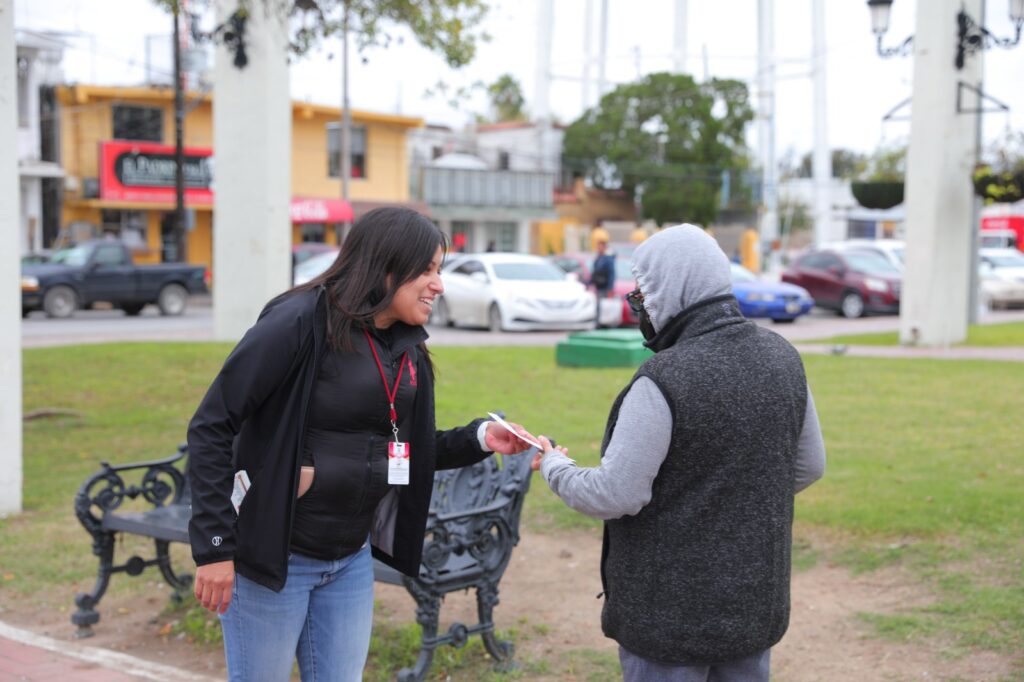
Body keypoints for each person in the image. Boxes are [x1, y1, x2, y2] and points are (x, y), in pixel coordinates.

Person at [186, 207, 535, 682]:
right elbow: (212, 424)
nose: (439, 285)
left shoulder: (407, 346)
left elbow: (402, 448)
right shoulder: (299, 320)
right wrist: (215, 547)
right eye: (428, 270)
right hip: (273, 557)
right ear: (387, 265)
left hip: (348, 559)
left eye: (440, 270)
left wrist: (480, 439)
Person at [532, 224, 826, 682]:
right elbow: (808, 465)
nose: (641, 304)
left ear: (670, 289)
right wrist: (736, 503)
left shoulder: (663, 378)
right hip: (754, 602)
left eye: (645, 291)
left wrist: (555, 466)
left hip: (667, 620)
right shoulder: (783, 357)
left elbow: (616, 493)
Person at [590, 239, 616, 328]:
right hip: (599, 286)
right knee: (599, 305)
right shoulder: (598, 258)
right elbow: (595, 272)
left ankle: (605, 324)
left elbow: (611, 273)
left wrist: (610, 288)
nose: (598, 248)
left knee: (604, 306)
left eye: (600, 246)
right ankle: (599, 323)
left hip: (605, 287)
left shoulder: (608, 258)